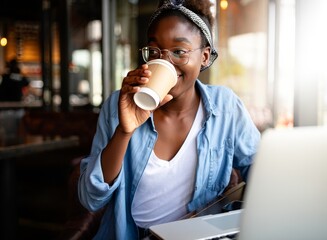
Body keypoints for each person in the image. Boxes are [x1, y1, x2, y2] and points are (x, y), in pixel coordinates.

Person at [78, 0, 261, 239]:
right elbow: (91, 199)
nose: (165, 62)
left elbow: (260, 170)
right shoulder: (119, 105)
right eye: (154, 52)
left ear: (205, 57)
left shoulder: (225, 107)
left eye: (179, 52)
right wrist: (125, 131)